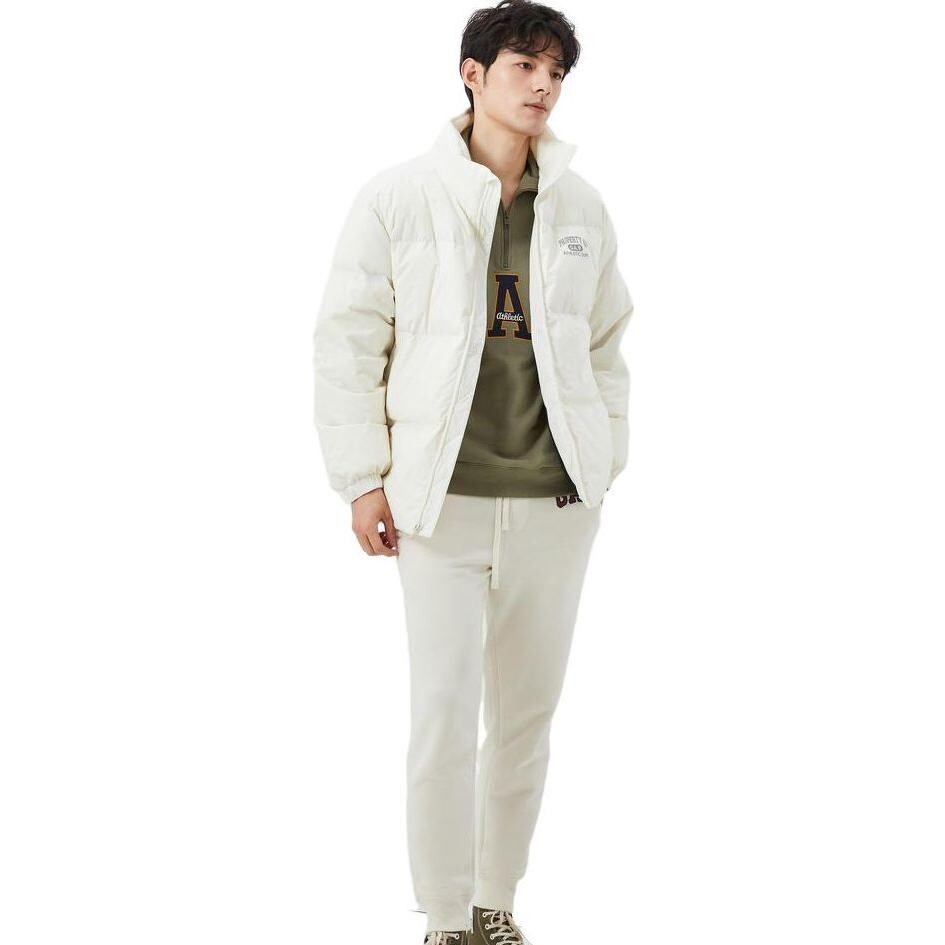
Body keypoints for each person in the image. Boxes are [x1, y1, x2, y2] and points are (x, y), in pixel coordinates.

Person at [312, 2, 634, 941]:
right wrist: (361, 478)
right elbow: (347, 343)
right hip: (438, 505)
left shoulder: (580, 207)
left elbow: (607, 345)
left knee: (526, 719)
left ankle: (496, 900)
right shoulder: (398, 197)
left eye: (555, 72)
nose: (543, 85)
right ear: (473, 74)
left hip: (554, 504)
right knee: (444, 716)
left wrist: (604, 456)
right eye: (524, 65)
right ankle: (446, 915)